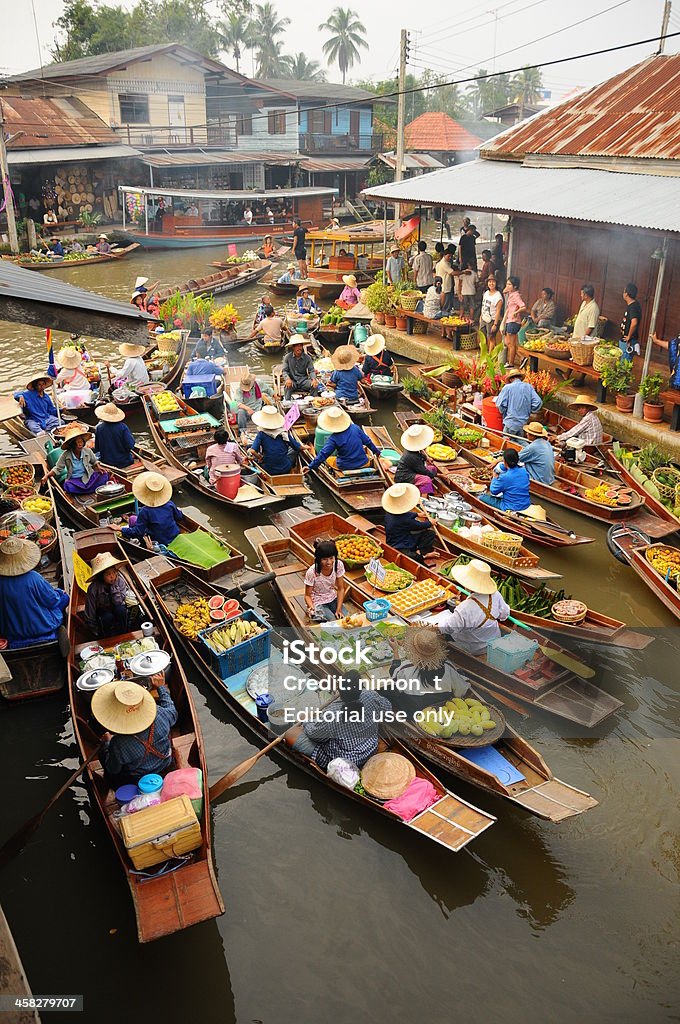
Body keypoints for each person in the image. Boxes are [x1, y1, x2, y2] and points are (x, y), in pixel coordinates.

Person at [287, 669, 391, 771]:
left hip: (345, 761)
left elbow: (315, 736)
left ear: (341, 691)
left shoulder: (332, 714)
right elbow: (387, 708)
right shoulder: (370, 695)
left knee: (291, 733)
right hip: (370, 748)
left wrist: (307, 720)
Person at [93, 677, 177, 787]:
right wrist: (161, 688)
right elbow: (172, 711)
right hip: (166, 763)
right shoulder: (160, 713)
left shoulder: (118, 743)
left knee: (106, 760)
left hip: (138, 778)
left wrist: (106, 743)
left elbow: (113, 769)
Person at [0, 537, 69, 649]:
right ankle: (55, 632)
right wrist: (60, 593)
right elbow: (52, 601)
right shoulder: (34, 578)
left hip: (12, 630)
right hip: (42, 627)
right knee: (64, 597)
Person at [386, 626, 469, 718]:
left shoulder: (405, 669)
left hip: (413, 713)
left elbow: (394, 674)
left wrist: (395, 650)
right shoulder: (448, 667)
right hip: (440, 709)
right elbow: (461, 691)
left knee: (387, 692)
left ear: (413, 652)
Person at [439, 558, 510, 656]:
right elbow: (504, 614)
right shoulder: (495, 594)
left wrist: (433, 626)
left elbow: (447, 628)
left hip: (473, 648)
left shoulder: (465, 608)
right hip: (494, 641)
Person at [307, 406, 381, 474]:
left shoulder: (334, 438)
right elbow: (368, 442)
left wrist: (310, 466)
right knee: (367, 457)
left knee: (329, 459)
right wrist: (377, 452)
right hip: (363, 463)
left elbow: (324, 454)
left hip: (345, 466)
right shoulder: (355, 428)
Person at [115, 472, 183, 547]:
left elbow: (138, 532)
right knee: (132, 519)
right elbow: (179, 517)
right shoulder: (169, 504)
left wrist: (120, 528)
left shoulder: (145, 511)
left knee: (132, 520)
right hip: (175, 534)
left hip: (159, 541)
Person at [84, 552, 137, 637]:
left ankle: (124, 633)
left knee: (121, 611)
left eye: (114, 572)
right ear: (101, 576)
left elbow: (120, 602)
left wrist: (114, 588)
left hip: (117, 605)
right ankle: (108, 638)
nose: (112, 576)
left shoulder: (120, 581)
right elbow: (90, 611)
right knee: (107, 617)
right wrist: (93, 628)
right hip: (103, 611)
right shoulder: (93, 588)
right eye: (108, 574)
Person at [45, 424, 109, 495]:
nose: (80, 444)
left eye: (81, 442)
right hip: (75, 480)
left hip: (88, 477)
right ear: (72, 444)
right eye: (78, 442)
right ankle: (88, 489)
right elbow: (57, 468)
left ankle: (85, 489)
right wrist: (47, 476)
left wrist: (98, 466)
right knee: (67, 485)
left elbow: (94, 461)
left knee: (104, 474)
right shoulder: (66, 455)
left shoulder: (88, 451)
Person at [382, 483, 436, 563]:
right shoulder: (404, 520)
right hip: (400, 545)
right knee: (415, 556)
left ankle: (419, 550)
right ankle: (424, 555)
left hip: (400, 536)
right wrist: (430, 523)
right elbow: (419, 525)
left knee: (429, 534)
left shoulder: (390, 512)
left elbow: (405, 515)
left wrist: (417, 514)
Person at [249, 406, 302, 474]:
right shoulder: (283, 432)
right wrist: (305, 447)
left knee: (254, 454)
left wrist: (260, 457)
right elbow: (298, 447)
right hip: (285, 467)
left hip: (268, 469)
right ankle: (292, 468)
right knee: (294, 451)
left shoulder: (261, 434)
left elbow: (252, 451)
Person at [303, 539, 346, 621]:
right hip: (318, 601)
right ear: (319, 559)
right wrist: (311, 607)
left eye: (331, 558)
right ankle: (315, 614)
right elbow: (307, 596)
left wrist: (339, 609)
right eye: (325, 559)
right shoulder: (312, 572)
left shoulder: (338, 565)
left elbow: (341, 589)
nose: (329, 562)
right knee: (332, 622)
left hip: (332, 597)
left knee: (346, 617)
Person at [496, 368, 542, 437]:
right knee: (519, 442)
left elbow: (500, 405)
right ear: (520, 378)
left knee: (508, 442)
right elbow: (538, 402)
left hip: (510, 422)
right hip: (523, 423)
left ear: (511, 379)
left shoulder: (507, 387)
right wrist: (529, 410)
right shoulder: (529, 387)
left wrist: (504, 412)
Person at [395, 423, 438, 495]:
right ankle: (423, 498)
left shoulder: (414, 450)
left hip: (413, 470)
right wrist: (437, 476)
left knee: (432, 468)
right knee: (426, 480)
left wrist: (427, 458)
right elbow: (423, 471)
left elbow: (420, 454)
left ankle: (428, 486)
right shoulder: (412, 456)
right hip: (404, 476)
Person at [94, 403, 136, 469]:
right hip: (124, 462)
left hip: (106, 461)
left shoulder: (99, 428)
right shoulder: (123, 427)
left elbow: (97, 448)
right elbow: (130, 445)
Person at [502, 276, 529, 367]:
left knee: (512, 344)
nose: (507, 286)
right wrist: (506, 289)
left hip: (514, 322)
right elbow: (504, 291)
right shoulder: (511, 294)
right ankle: (521, 357)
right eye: (507, 283)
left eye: (510, 284)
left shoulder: (516, 295)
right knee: (507, 342)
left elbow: (523, 306)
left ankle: (511, 363)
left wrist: (516, 312)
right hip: (509, 320)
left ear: (515, 286)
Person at [281, 335, 318, 400]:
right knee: (287, 386)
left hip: (303, 382)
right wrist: (287, 379)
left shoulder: (307, 358)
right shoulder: (287, 357)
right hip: (293, 382)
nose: (299, 348)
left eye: (300, 345)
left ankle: (314, 403)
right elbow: (284, 371)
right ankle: (287, 404)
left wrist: (314, 379)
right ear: (293, 347)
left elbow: (311, 370)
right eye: (297, 346)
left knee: (314, 386)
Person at [620, 282, 642, 360]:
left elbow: (634, 322)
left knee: (624, 362)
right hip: (626, 340)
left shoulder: (633, 307)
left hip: (628, 341)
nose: (623, 294)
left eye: (624, 291)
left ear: (626, 294)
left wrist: (629, 336)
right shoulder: (633, 305)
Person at [480, 275, 504, 341]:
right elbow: (483, 306)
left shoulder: (498, 296)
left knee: (491, 338)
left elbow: (498, 311)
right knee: (483, 338)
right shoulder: (486, 293)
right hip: (484, 319)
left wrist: (495, 324)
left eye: (493, 282)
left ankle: (491, 351)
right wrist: (481, 317)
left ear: (496, 283)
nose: (491, 283)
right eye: (489, 282)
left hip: (492, 320)